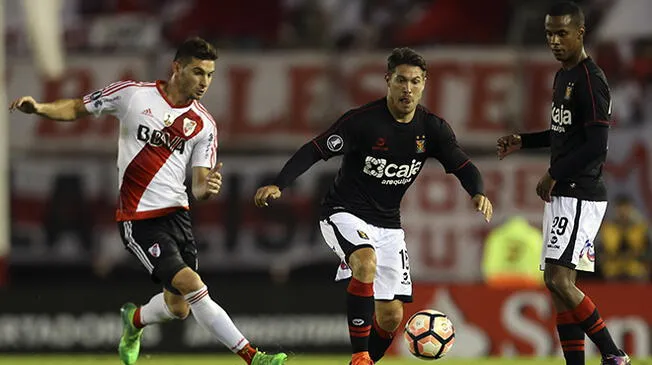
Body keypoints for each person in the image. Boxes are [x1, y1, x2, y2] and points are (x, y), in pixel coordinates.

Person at [9, 37, 287, 365]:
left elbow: (198, 188)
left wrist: (209, 188)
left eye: (210, 75)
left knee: (180, 307)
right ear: (177, 67)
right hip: (139, 218)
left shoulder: (204, 125)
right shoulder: (133, 94)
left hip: (178, 216)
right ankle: (253, 357)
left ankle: (135, 319)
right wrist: (39, 108)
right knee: (193, 284)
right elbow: (76, 107)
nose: (204, 82)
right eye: (198, 73)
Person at [254, 47, 493, 365]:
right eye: (401, 80)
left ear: (424, 84)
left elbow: (462, 165)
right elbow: (314, 150)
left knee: (392, 316)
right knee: (365, 263)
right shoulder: (362, 122)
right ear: (388, 81)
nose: (408, 88)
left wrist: (477, 191)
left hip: (389, 225)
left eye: (415, 82)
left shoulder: (432, 129)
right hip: (343, 212)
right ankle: (360, 355)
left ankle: (365, 362)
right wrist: (278, 183)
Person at [496, 2, 630, 365]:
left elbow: (596, 144)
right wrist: (525, 140)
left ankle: (614, 354)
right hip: (565, 194)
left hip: (580, 193)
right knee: (557, 288)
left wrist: (555, 173)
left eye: (561, 34)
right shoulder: (563, 76)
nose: (554, 41)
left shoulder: (590, 79)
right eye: (549, 34)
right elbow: (563, 134)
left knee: (559, 281)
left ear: (581, 33)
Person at [599, 194, 651, 281]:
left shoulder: (640, 228)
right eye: (620, 208)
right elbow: (600, 252)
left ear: (631, 208)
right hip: (612, 270)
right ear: (615, 209)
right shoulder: (607, 228)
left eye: (626, 207)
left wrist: (638, 256)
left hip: (635, 269)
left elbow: (648, 251)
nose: (623, 211)